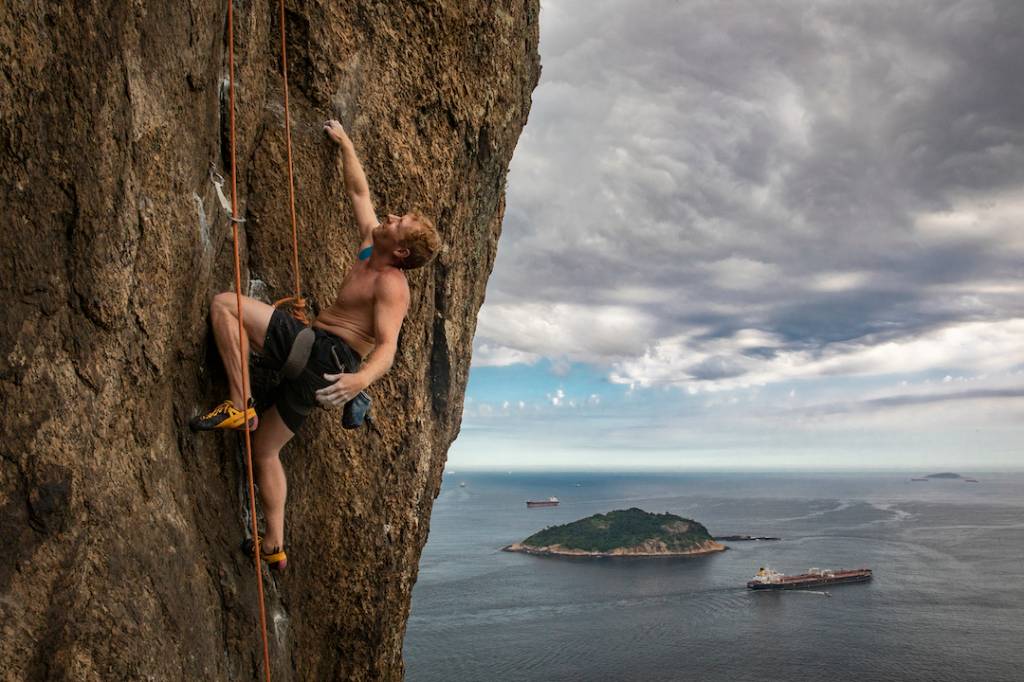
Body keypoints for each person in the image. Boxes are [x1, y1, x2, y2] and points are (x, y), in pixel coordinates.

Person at [189, 119, 441, 570]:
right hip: (318, 371)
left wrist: (360, 378)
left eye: (397, 222)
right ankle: (275, 545)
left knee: (225, 305)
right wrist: (344, 143)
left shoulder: (391, 284)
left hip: (325, 355)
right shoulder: (370, 248)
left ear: (401, 251)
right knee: (265, 451)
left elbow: (387, 346)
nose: (389, 217)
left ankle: (238, 401)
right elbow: (359, 193)